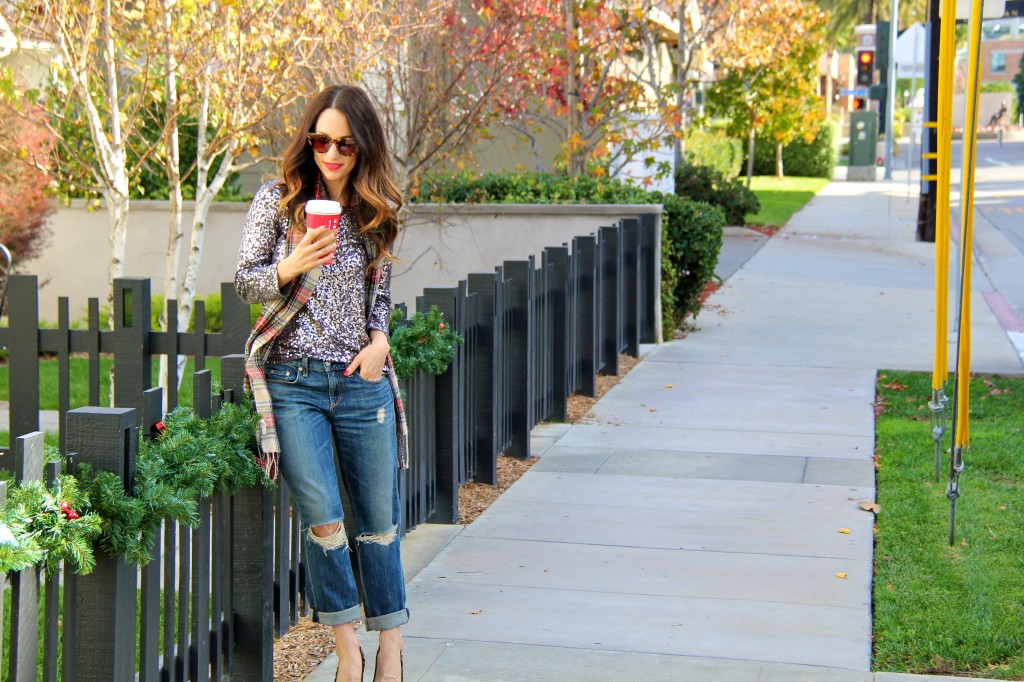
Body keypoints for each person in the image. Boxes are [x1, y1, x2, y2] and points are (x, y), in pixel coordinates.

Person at [235, 84, 409, 682]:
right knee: (324, 518)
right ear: (309, 141)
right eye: (322, 140)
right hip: (295, 381)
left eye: (345, 143)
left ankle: (390, 649)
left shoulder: (378, 208)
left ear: (363, 148)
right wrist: (292, 264)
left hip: (361, 382)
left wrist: (380, 343)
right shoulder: (277, 201)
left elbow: (379, 299)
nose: (331, 153)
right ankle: (347, 652)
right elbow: (245, 281)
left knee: (378, 519)